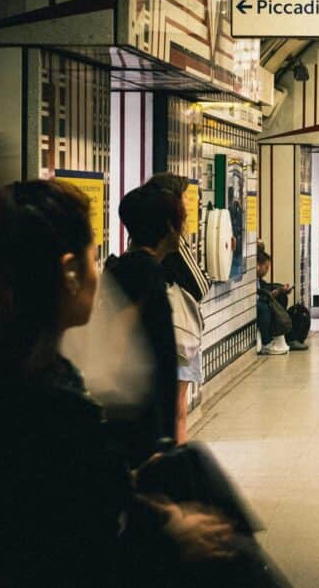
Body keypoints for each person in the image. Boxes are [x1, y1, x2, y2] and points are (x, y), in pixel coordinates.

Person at [0, 180, 251, 587]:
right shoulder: (56, 406)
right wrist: (171, 530)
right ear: (69, 272)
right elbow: (78, 540)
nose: (96, 272)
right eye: (91, 257)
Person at [104, 184, 185, 465]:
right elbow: (152, 354)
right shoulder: (145, 274)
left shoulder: (126, 268)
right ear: (169, 228)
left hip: (131, 421)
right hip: (140, 426)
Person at [144, 173, 210, 445]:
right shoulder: (172, 239)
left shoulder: (139, 237)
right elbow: (200, 284)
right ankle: (177, 463)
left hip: (151, 333)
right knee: (178, 409)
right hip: (177, 332)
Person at [256, 249, 291, 355]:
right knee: (265, 308)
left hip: (260, 297)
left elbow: (264, 287)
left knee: (281, 297)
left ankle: (277, 332)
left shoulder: (258, 280)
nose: (267, 270)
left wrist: (280, 290)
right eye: (266, 267)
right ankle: (266, 341)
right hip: (255, 302)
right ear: (258, 265)